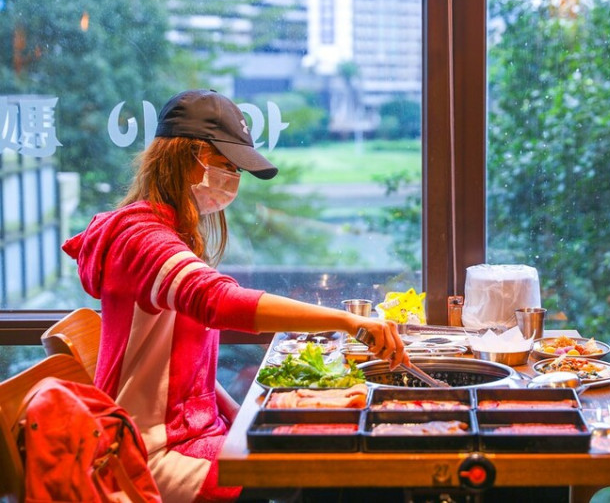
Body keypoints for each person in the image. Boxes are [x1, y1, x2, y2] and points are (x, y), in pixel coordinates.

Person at [62, 89, 409, 502]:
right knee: (325, 477)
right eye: (225, 165)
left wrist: (245, 415)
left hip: (190, 435)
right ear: (182, 156)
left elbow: (190, 379)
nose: (233, 180)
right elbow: (218, 301)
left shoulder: (166, 235)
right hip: (149, 452)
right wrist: (349, 321)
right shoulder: (141, 239)